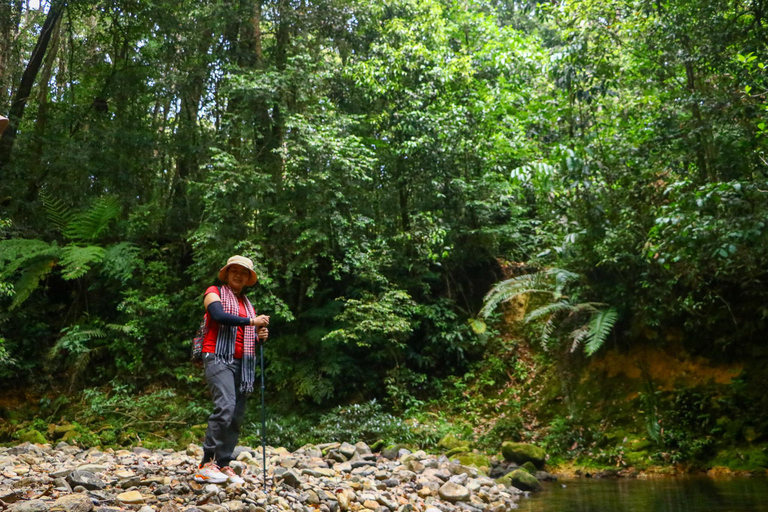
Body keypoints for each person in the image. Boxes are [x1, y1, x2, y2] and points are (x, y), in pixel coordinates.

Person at [194, 255, 269, 484]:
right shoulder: (213, 292)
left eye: (244, 272)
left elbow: (244, 334)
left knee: (236, 414)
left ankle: (224, 463)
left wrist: (259, 336)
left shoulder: (247, 305)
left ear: (248, 279)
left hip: (241, 363)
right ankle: (206, 463)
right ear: (226, 274)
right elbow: (218, 316)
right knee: (225, 405)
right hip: (216, 356)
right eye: (234, 270)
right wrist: (251, 323)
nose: (238, 275)